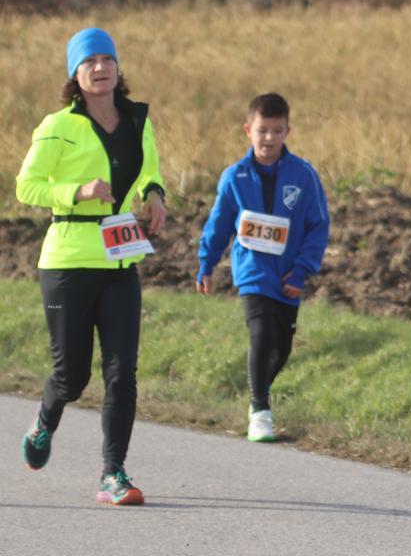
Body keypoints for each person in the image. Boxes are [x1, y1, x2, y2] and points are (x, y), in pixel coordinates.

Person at [15, 27, 168, 506]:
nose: (100, 68)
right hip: (67, 260)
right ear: (75, 75)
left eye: (107, 59)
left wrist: (154, 194)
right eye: (89, 62)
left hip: (119, 256)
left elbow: (148, 170)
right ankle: (44, 422)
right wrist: (76, 192)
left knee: (122, 371)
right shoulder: (57, 125)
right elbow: (27, 186)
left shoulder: (137, 120)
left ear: (118, 68)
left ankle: (112, 473)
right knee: (72, 376)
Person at [196, 92, 329, 442]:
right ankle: (260, 410)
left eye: (276, 130)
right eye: (262, 130)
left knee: (282, 346)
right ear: (247, 131)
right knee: (261, 333)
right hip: (252, 270)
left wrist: (301, 270)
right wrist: (206, 265)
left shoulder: (303, 176)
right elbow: (219, 224)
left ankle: (258, 392)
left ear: (287, 131)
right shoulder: (234, 177)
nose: (268, 137)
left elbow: (318, 226)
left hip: (288, 275)